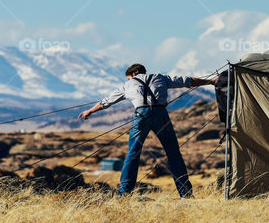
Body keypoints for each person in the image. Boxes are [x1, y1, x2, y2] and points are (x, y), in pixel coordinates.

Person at [80, 64, 216, 197]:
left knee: (133, 153)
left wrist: (90, 111)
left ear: (133, 74)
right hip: (161, 115)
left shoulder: (127, 85)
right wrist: (210, 81)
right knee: (173, 153)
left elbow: (106, 101)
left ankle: (125, 193)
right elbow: (187, 81)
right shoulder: (160, 77)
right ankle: (185, 192)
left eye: (129, 78)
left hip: (141, 116)